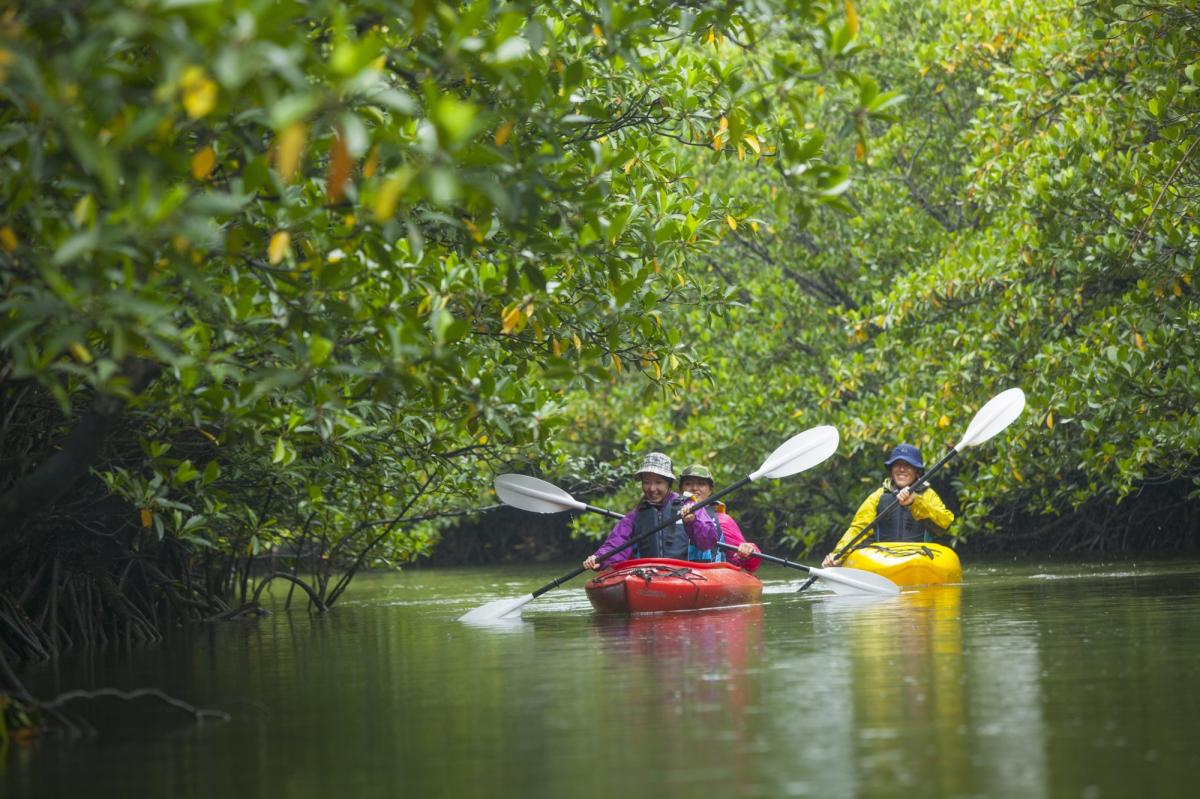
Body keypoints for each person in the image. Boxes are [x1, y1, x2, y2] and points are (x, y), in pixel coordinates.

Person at [822, 443, 954, 567]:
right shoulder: (877, 496)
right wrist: (838, 553)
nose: (902, 469)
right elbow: (858, 529)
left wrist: (916, 502)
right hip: (883, 558)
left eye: (908, 465)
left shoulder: (928, 495)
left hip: (919, 557)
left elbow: (945, 523)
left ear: (917, 472)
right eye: (897, 465)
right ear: (891, 470)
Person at [583, 452, 719, 570]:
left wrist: (693, 521)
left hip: (686, 573)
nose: (652, 488)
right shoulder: (635, 515)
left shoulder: (689, 505)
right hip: (648, 575)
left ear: (669, 484)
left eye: (658, 482)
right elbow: (616, 543)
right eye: (647, 482)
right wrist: (599, 558)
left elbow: (708, 541)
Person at [679, 464, 762, 573]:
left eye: (701, 484)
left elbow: (750, 565)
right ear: (681, 489)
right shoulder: (668, 515)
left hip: (712, 576)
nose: (694, 488)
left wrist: (748, 551)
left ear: (710, 490)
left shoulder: (722, 520)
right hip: (674, 574)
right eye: (688, 483)